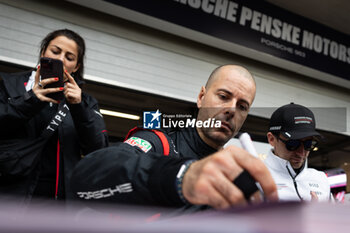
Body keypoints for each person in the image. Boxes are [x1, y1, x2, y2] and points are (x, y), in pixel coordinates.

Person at [70, 64, 277, 212]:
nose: (231, 109)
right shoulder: (159, 140)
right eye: (223, 97)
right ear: (201, 97)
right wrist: (182, 176)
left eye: (242, 106)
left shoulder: (237, 172)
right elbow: (87, 176)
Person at [0, 29, 108, 203]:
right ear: (43, 53)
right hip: (10, 197)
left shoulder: (86, 102)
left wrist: (78, 107)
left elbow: (97, 150)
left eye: (69, 57)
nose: (60, 59)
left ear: (76, 67)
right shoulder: (11, 84)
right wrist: (31, 101)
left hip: (59, 203)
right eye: (55, 51)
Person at [264, 103, 332, 201]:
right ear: (272, 139)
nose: (301, 152)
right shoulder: (256, 177)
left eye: (308, 144)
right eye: (293, 144)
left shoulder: (321, 179)